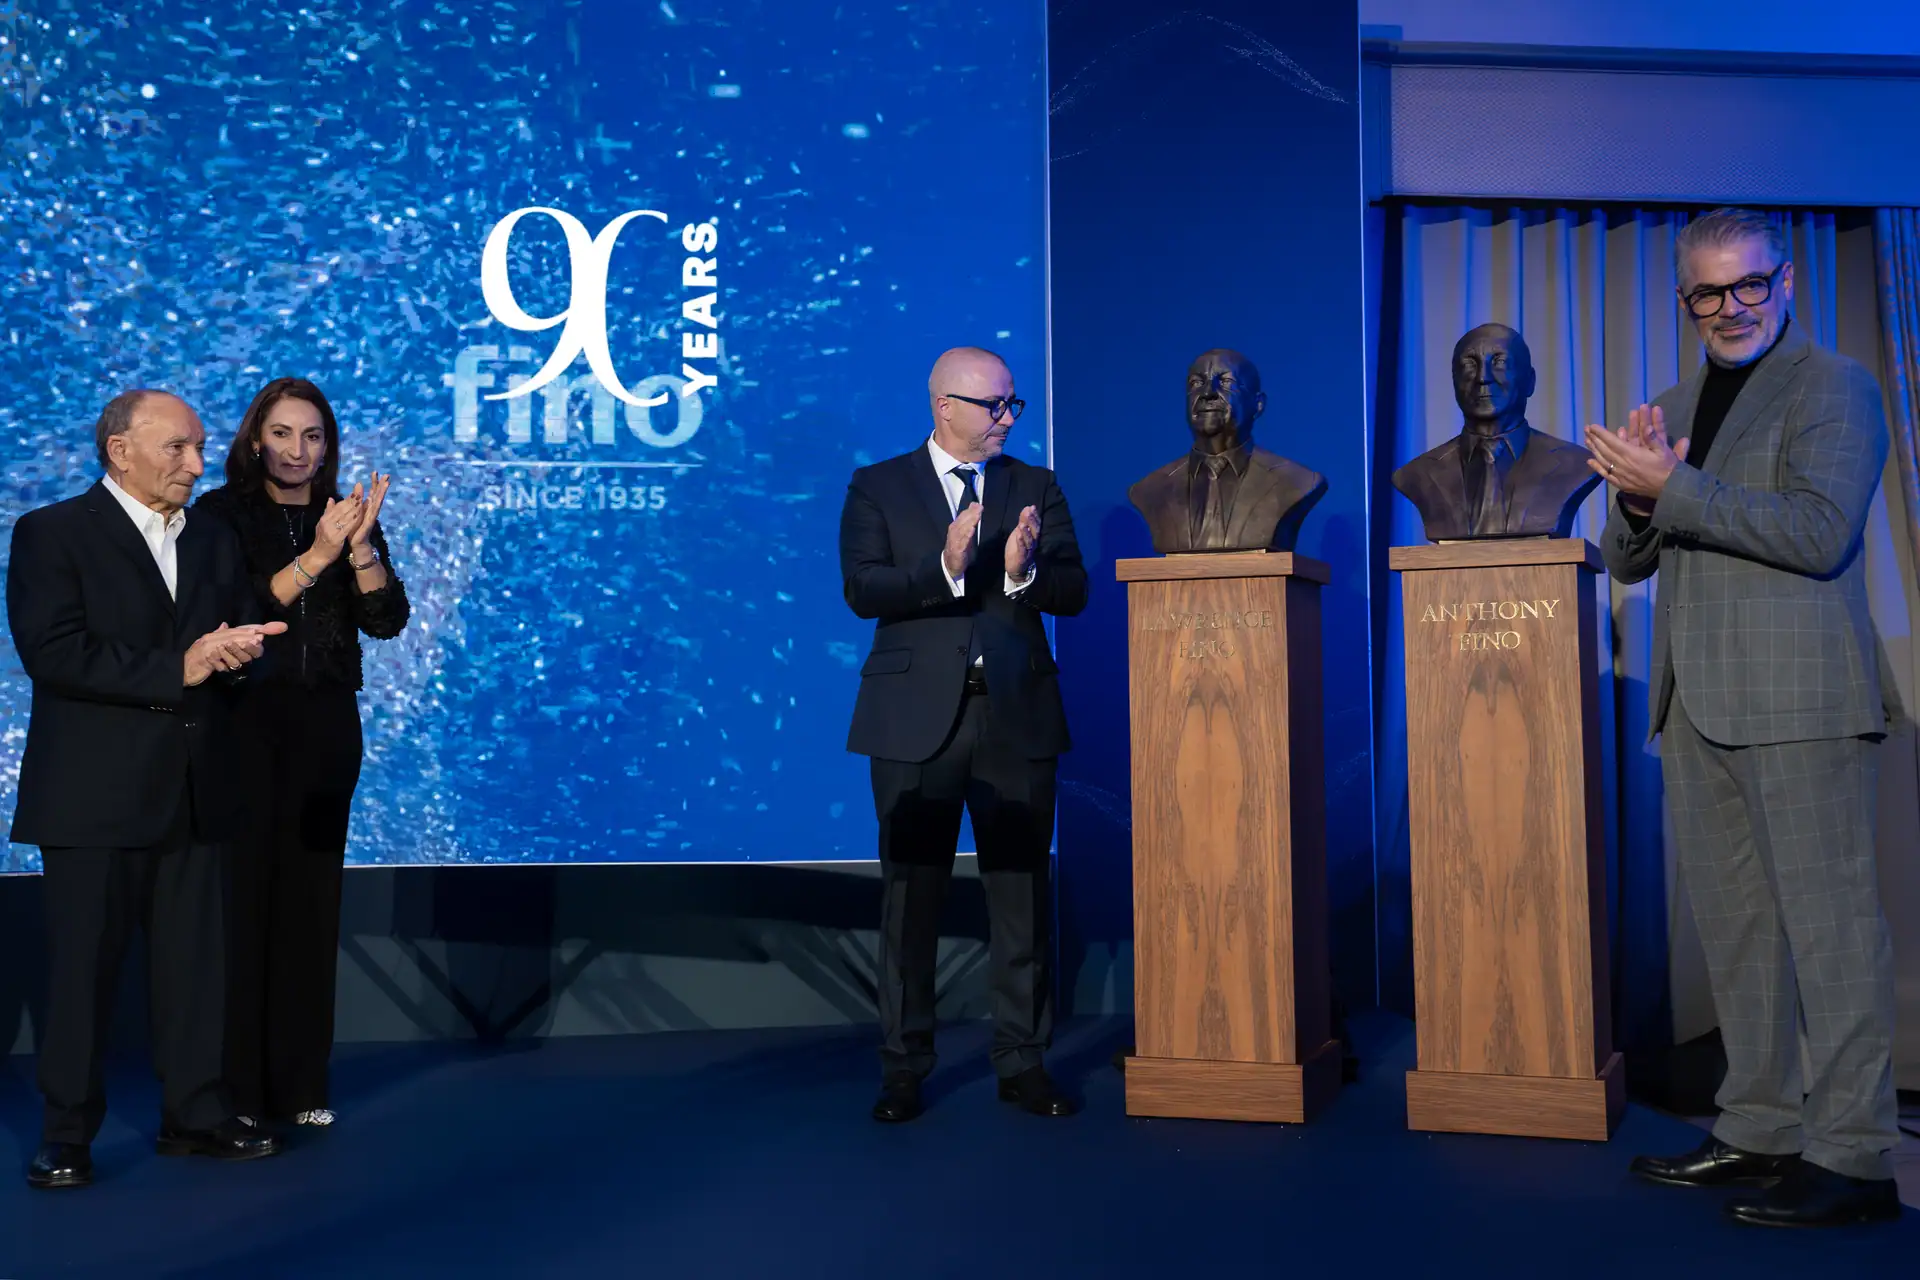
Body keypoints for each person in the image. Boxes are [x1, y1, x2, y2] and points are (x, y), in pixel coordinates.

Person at [1586, 208, 1902, 1228]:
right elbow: (1626, 560)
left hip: (1802, 700)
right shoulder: (1676, 403)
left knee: (1832, 934)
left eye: (1750, 284)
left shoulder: (1835, 386)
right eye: (1708, 293)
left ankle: (1855, 1157)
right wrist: (1637, 502)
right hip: (1697, 703)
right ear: (1685, 300)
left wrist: (1672, 485)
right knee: (1740, 934)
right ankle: (1760, 1127)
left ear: (1787, 280)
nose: (1732, 308)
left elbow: (1819, 531)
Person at [9, 389, 287, 1189]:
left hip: (197, 789)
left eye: (199, 448)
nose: (197, 465)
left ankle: (195, 1115)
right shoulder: (52, 532)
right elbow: (53, 652)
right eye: (178, 448)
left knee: (196, 970)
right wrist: (182, 668)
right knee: (82, 977)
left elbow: (239, 637)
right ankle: (66, 1134)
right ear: (120, 450)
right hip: (93, 797)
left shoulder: (212, 537)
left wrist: (241, 654)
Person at [839, 346, 1087, 1122]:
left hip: (1015, 716)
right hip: (915, 723)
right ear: (944, 406)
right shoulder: (878, 485)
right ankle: (904, 1066)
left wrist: (1022, 573)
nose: (1007, 418)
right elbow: (863, 588)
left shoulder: (1034, 486)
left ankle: (1023, 1060)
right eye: (994, 406)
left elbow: (1074, 589)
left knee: (1021, 896)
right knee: (911, 900)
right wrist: (944, 567)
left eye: (1013, 403)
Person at [194, 377, 409, 1130]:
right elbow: (241, 612)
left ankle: (301, 1086)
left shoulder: (346, 515)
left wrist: (361, 547)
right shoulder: (220, 515)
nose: (298, 450)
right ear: (256, 440)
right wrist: (319, 555)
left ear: (328, 446)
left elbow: (386, 619)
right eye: (283, 434)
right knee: (243, 905)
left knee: (312, 906)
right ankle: (239, 1094)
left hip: (326, 729)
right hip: (244, 725)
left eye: (312, 436)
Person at [1392, 323, 1600, 541]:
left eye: (1499, 362)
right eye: (1470, 364)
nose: (1483, 377)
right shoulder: (1417, 474)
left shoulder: (1576, 464)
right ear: (1454, 381)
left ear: (1530, 381)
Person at [1127, 348, 1326, 553]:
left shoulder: (1298, 482)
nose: (1207, 393)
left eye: (1226, 382)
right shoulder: (1151, 489)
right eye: (1196, 383)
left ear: (1258, 404)